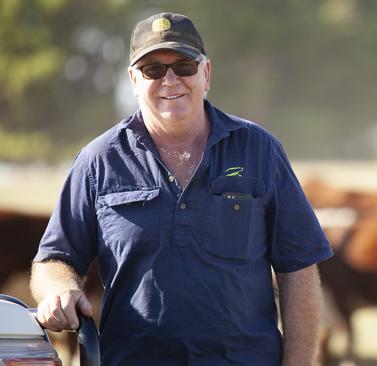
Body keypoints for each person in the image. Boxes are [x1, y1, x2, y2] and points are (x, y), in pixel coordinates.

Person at [30, 12, 332, 365]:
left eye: (184, 66)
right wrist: (58, 289)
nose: (170, 80)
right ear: (133, 80)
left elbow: (298, 270)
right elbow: (54, 259)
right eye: (153, 70)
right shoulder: (98, 161)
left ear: (206, 73)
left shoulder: (260, 150)